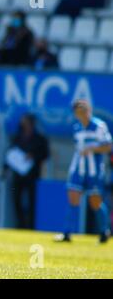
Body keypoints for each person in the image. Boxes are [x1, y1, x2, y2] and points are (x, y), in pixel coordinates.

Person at [55, 100, 112, 244]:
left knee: (95, 202)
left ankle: (104, 231)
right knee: (73, 198)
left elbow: (108, 147)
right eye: (77, 111)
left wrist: (92, 148)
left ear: (88, 110)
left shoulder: (99, 126)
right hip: (78, 169)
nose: (81, 114)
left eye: (83, 110)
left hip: (94, 172)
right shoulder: (77, 128)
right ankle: (67, 233)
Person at [4, 114, 49, 229]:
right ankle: (20, 224)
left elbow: (45, 154)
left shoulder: (39, 138)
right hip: (18, 175)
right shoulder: (18, 137)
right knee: (16, 201)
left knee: (32, 202)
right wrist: (4, 169)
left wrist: (33, 156)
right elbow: (10, 154)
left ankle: (31, 226)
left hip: (32, 175)